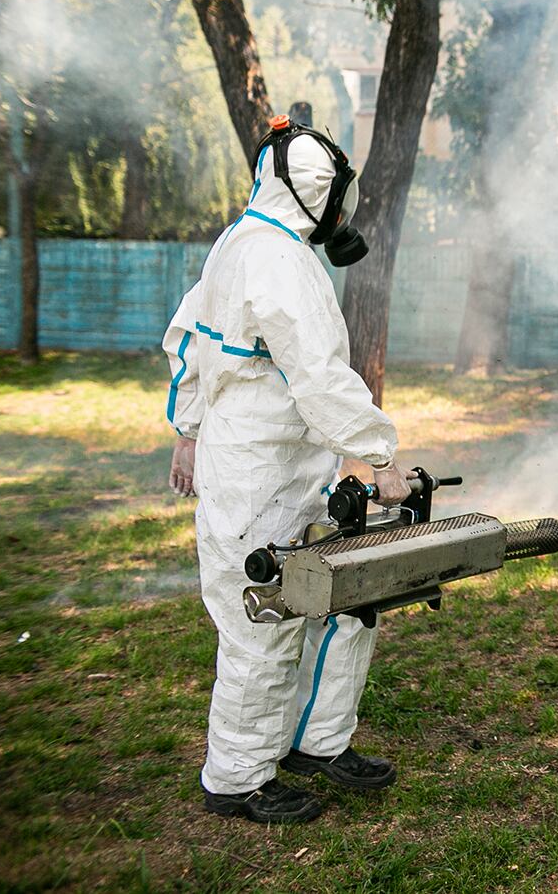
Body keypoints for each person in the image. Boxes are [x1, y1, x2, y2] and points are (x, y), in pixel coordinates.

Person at [162, 113, 410, 824]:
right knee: (262, 623)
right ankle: (236, 778)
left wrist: (186, 429)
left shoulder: (246, 243)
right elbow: (320, 377)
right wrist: (380, 453)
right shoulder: (274, 260)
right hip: (256, 476)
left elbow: (187, 339)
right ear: (318, 197)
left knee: (342, 605)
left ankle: (317, 741)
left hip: (296, 468)